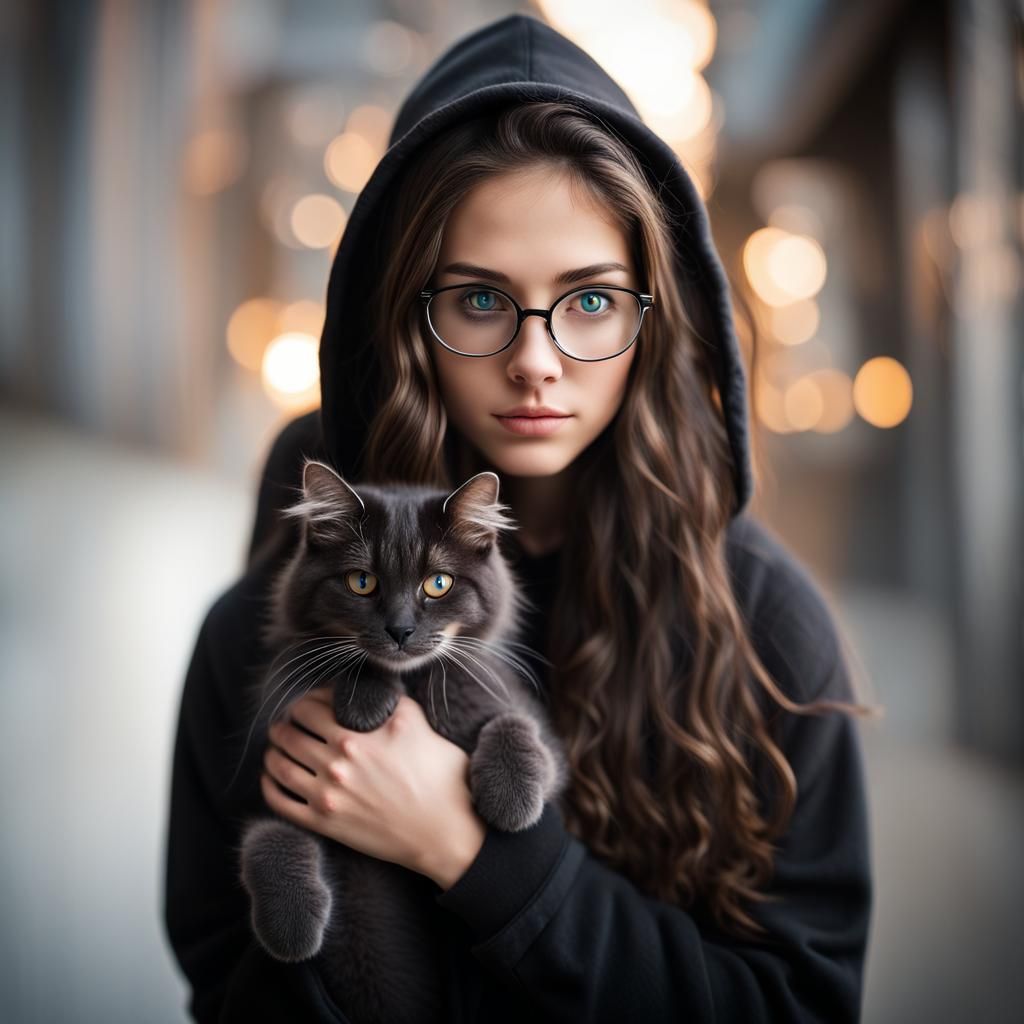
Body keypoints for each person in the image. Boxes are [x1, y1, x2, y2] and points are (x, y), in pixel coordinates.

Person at [164, 13, 876, 1023]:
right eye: (480, 300)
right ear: (404, 310)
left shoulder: (762, 628)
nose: (535, 361)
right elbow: (221, 980)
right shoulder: (257, 638)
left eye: (588, 302)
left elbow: (798, 1003)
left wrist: (468, 850)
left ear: (652, 315)